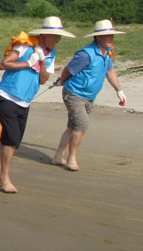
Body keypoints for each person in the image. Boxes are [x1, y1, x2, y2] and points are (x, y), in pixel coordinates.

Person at [0, 16, 75, 193]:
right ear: (44, 34)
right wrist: (29, 61)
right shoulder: (25, 45)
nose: (58, 40)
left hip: (25, 101)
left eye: (59, 37)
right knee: (11, 140)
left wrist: (42, 61)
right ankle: (4, 178)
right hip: (7, 95)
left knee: (9, 140)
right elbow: (4, 64)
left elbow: (43, 79)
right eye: (55, 36)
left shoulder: (52, 54)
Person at [52, 19, 127, 171]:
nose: (111, 38)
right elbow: (68, 70)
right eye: (107, 36)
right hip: (73, 94)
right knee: (82, 125)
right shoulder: (85, 54)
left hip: (89, 97)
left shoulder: (107, 54)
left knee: (73, 126)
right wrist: (61, 81)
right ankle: (71, 158)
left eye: (112, 35)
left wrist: (119, 90)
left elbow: (110, 71)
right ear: (98, 37)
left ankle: (58, 156)